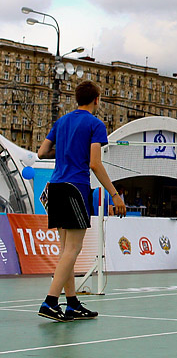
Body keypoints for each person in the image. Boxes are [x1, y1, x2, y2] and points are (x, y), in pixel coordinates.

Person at [37, 81, 126, 322]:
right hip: (75, 188)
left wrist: (68, 149)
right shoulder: (96, 124)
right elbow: (95, 164)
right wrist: (115, 195)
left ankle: (72, 304)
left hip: (55, 187)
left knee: (66, 251)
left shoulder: (62, 121)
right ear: (97, 100)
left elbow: (42, 152)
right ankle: (50, 302)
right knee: (73, 250)